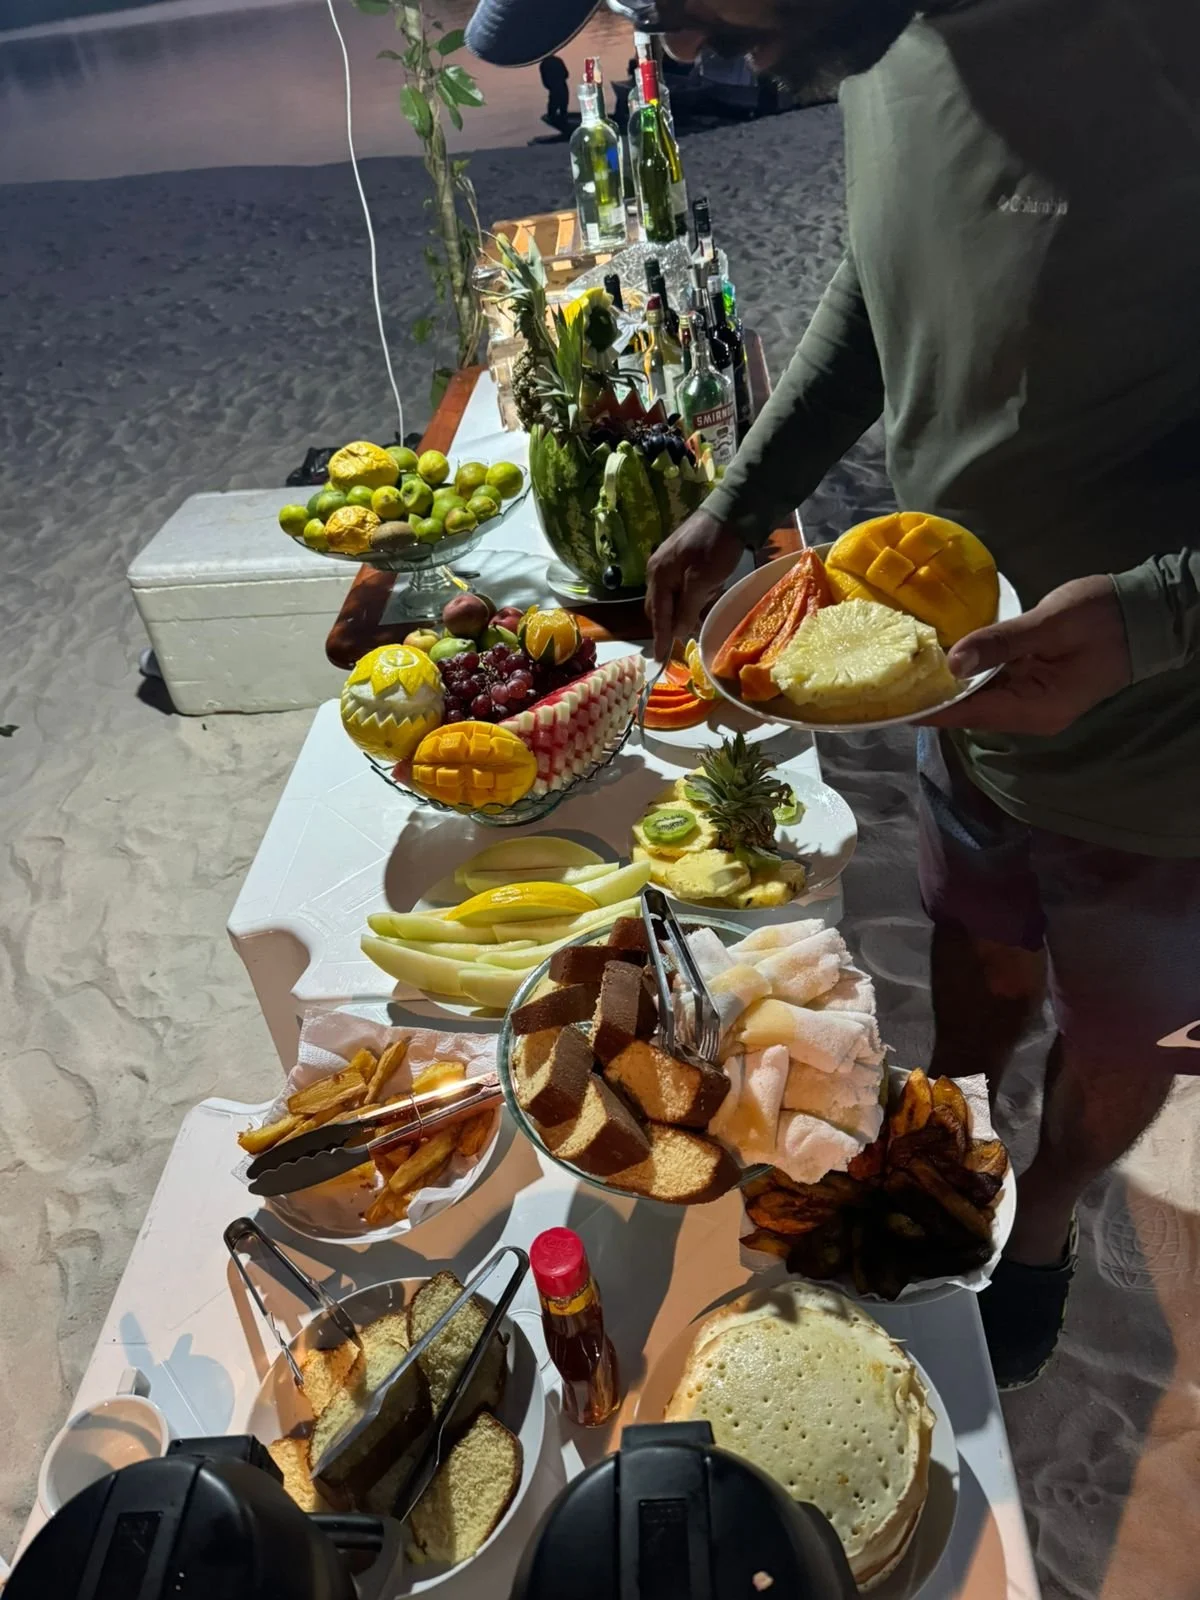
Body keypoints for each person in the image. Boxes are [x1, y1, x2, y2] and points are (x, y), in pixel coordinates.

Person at [467, 0, 1200, 1387]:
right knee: (977, 965)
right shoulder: (878, 35)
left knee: (1120, 1043)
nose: (670, 49)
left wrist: (1159, 616)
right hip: (942, 695)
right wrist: (748, 501)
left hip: (1167, 759)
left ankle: (1045, 1214)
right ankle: (969, 1153)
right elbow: (884, 287)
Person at [538, 54, 571, 134]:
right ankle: (565, 127)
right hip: (563, 87)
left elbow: (545, 80)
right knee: (563, 110)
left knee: (552, 112)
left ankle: (565, 130)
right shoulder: (558, 60)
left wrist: (550, 86)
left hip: (554, 89)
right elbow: (566, 74)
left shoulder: (543, 64)